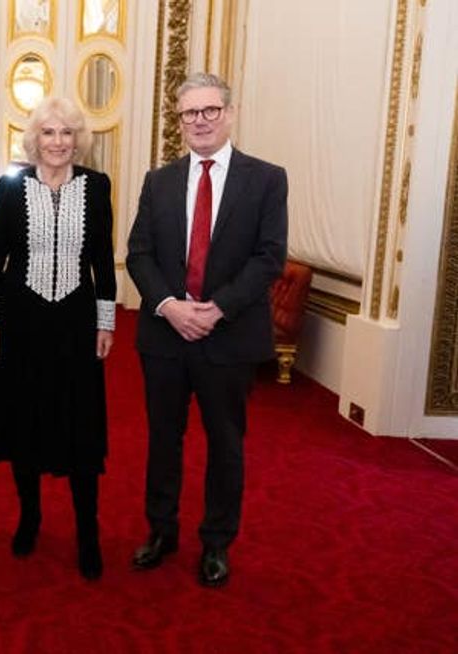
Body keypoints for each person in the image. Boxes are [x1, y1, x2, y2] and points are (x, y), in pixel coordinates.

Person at [126, 72, 287, 587]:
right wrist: (171, 306)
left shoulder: (266, 179)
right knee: (163, 440)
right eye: (189, 113)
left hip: (230, 336)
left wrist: (216, 309)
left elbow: (269, 258)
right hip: (165, 338)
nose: (199, 121)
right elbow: (139, 254)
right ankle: (161, 531)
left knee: (226, 443)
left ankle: (217, 543)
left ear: (229, 113)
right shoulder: (160, 181)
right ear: (180, 121)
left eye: (209, 110)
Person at [0, 97, 116, 580]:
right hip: (21, 321)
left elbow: (103, 258)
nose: (58, 142)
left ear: (79, 139)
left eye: (67, 133)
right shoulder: (11, 186)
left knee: (79, 425)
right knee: (25, 422)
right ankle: (30, 516)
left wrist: (106, 322)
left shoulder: (97, 187)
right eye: (49, 133)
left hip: (75, 322)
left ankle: (88, 532)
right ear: (35, 139)